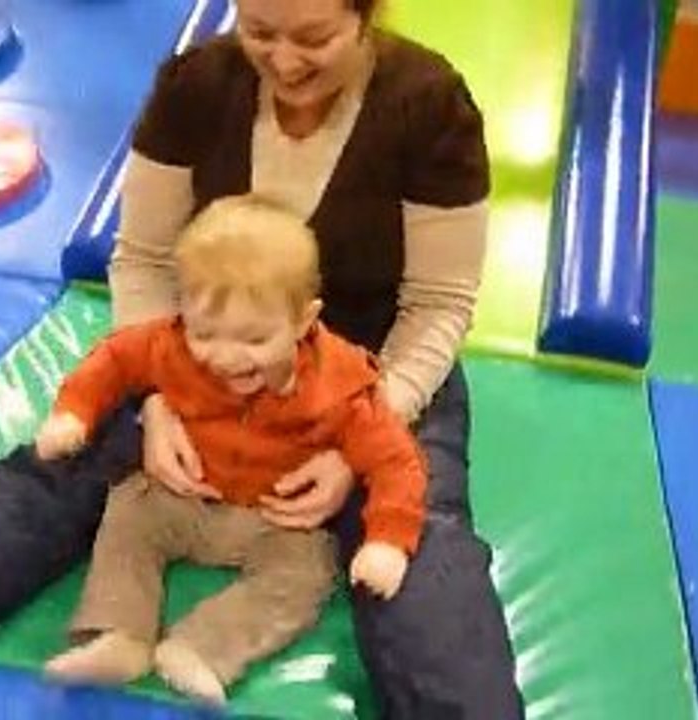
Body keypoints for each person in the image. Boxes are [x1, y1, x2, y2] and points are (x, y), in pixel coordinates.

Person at [0, 0, 524, 717]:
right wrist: (158, 399)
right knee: (52, 480)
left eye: (314, 38)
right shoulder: (197, 87)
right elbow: (142, 257)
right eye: (260, 32)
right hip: (201, 355)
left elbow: (438, 304)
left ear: (367, 16)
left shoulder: (427, 105)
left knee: (420, 540)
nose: (285, 60)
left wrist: (359, 436)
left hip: (373, 370)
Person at [35, 195, 427, 705]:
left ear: (305, 320)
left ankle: (203, 649)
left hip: (277, 521)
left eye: (255, 339)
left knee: (308, 573)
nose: (224, 356)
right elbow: (110, 363)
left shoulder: (342, 386)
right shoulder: (167, 345)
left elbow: (397, 462)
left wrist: (388, 541)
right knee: (128, 512)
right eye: (205, 333)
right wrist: (73, 413)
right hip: (183, 496)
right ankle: (122, 635)